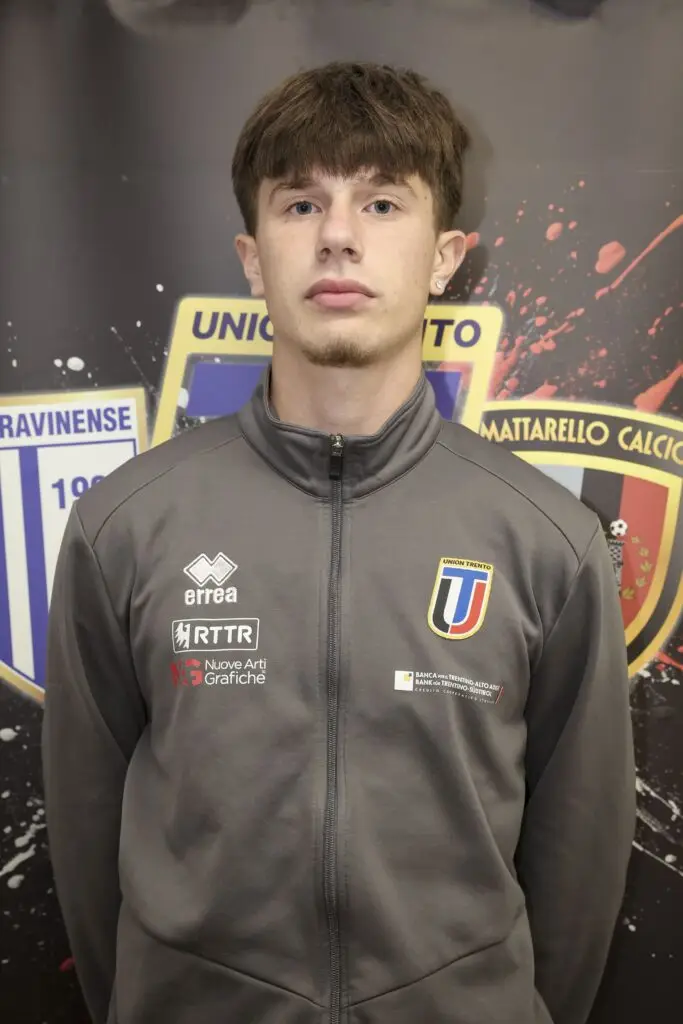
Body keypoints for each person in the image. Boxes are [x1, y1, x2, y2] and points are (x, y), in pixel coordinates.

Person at [43, 62, 636, 1024]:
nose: (338, 235)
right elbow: (85, 837)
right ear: (251, 258)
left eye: (383, 202)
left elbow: (578, 864)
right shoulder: (124, 526)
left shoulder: (547, 543)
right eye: (300, 203)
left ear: (446, 257)